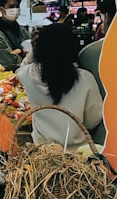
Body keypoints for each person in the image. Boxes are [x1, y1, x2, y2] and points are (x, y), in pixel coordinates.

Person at [17, 23, 104, 151]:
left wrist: (33, 51)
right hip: (78, 156)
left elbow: (21, 69)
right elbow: (93, 120)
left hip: (42, 154)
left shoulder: (28, 75)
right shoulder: (85, 78)